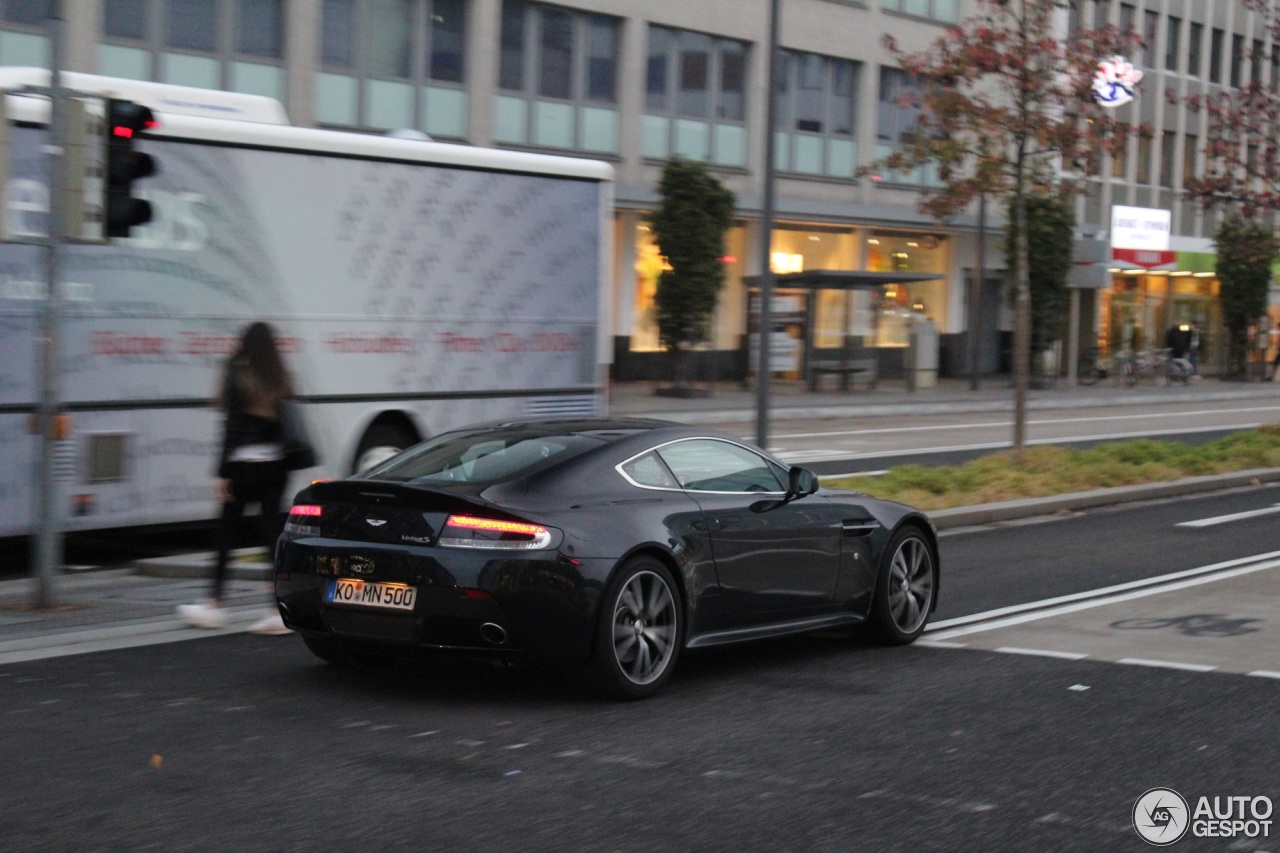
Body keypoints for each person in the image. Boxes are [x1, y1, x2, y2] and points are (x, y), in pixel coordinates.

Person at [178, 322, 293, 634]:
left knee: (226, 536)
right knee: (272, 539)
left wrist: (222, 472)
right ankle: (276, 610)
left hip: (243, 467)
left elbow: (230, 429)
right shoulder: (281, 376)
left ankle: (214, 606)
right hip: (275, 468)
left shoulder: (237, 374)